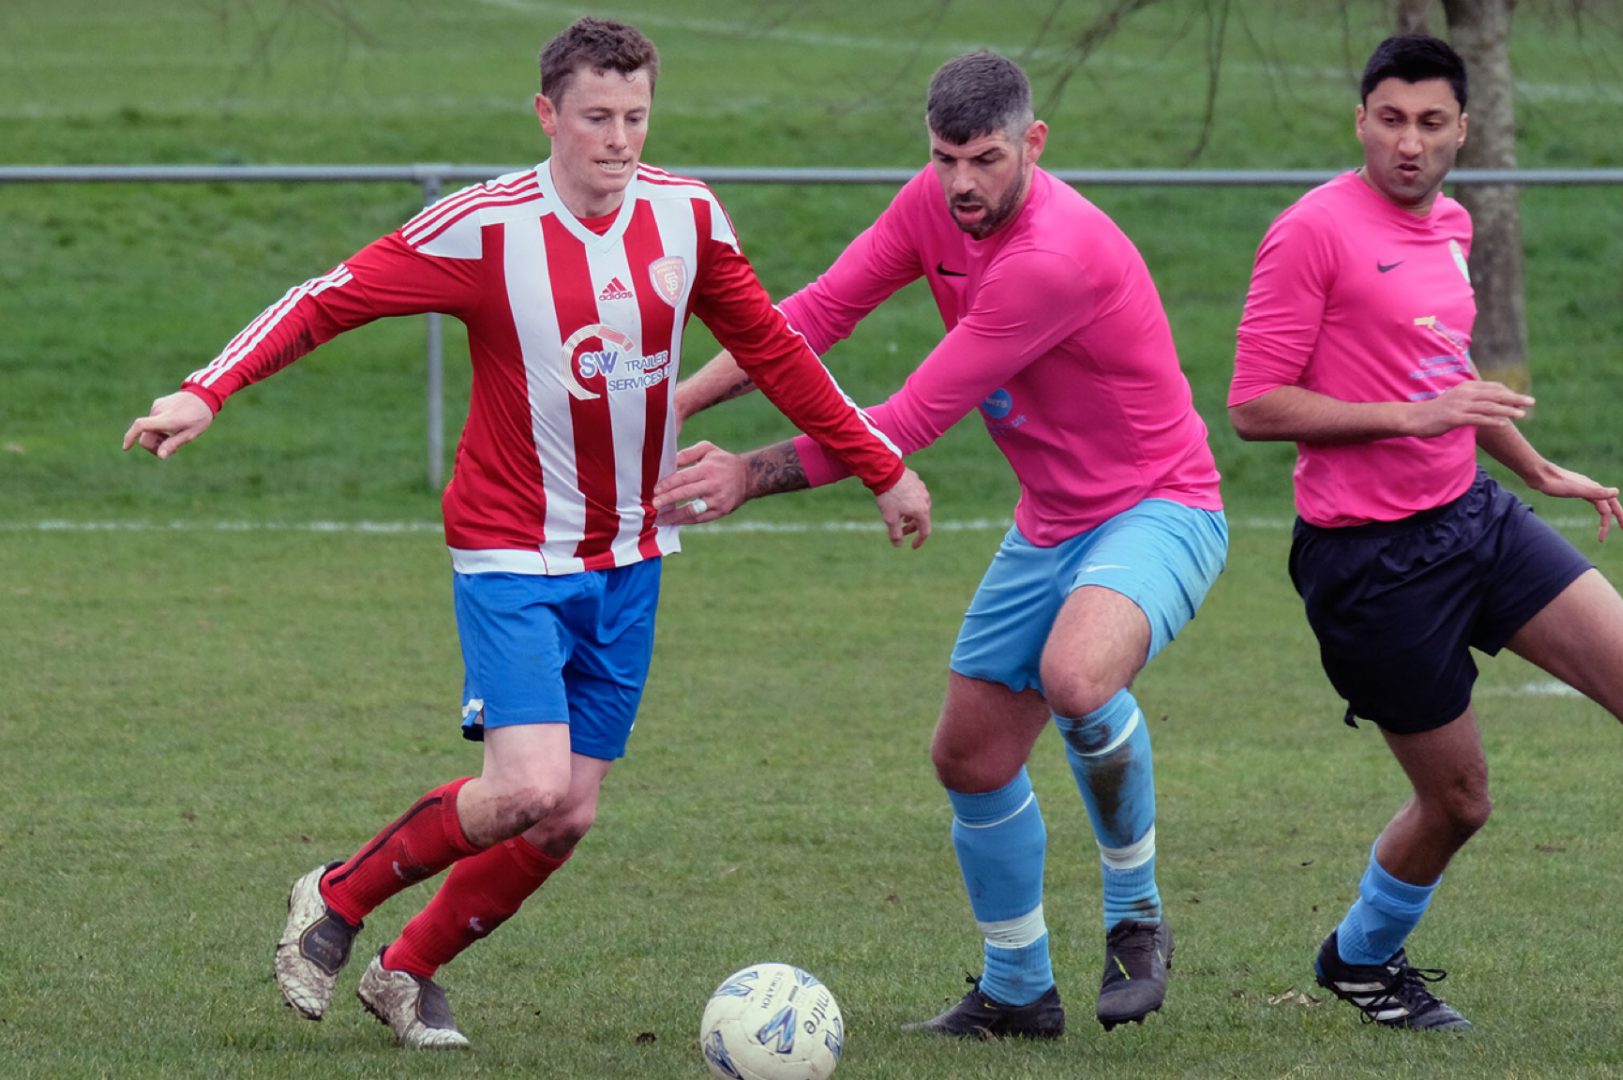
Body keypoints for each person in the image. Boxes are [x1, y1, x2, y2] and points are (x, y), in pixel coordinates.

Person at [122, 17, 930, 1050]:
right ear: (548, 115)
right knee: (527, 787)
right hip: (511, 548)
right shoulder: (486, 227)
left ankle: (405, 974)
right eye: (597, 117)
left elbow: (772, 348)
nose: (620, 139)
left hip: (631, 555)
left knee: (566, 815)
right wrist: (208, 390)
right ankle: (334, 896)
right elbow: (328, 299)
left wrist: (881, 466)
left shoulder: (687, 217)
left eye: (636, 116)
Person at [1228, 33, 1623, 1031]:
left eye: (1432, 124)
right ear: (1360, 121)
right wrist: (1407, 421)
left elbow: (1443, 373)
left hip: (1474, 519)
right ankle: (1360, 958)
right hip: (1368, 562)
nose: (1409, 143)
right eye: (1390, 119)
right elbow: (1255, 404)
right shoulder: (1310, 232)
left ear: (1463, 131)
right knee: (1460, 805)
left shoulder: (1454, 224)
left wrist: (1533, 465)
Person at [661, 51, 1225, 1038]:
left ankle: (1136, 914)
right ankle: (1017, 992)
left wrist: (750, 472)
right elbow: (812, 318)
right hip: (1049, 520)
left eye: (987, 159)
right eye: (944, 157)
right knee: (970, 757)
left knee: (1079, 680)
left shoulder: (1055, 257)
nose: (963, 182)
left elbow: (910, 417)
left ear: (1033, 145)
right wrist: (669, 405)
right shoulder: (934, 204)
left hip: (1161, 508)